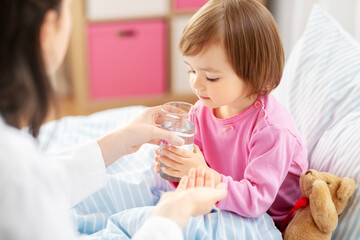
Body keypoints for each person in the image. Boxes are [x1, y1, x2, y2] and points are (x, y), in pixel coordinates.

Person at [0, 0, 227, 239]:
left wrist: (118, 140)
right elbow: (26, 188)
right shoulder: (15, 170)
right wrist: (175, 211)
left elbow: (40, 185)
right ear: (47, 31)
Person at [154, 0, 309, 227]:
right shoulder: (202, 110)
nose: (196, 83)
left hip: (268, 219)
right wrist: (179, 168)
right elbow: (198, 171)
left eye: (211, 77)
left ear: (255, 73)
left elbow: (256, 201)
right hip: (223, 203)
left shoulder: (272, 130)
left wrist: (204, 175)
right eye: (191, 69)